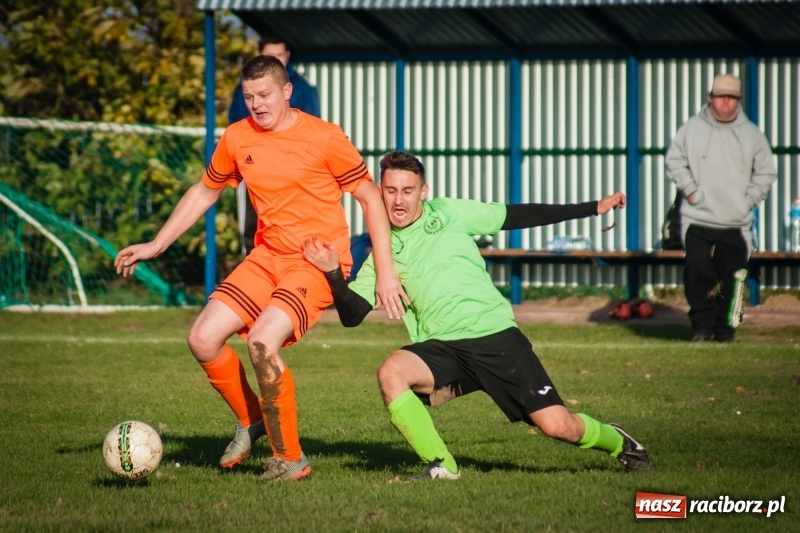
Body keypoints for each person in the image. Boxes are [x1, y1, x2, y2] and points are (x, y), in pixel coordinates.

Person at [115, 55, 406, 481]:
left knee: (263, 343)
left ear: (287, 91)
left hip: (315, 263)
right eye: (249, 97)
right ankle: (252, 418)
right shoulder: (237, 137)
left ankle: (290, 457)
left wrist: (386, 271)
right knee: (202, 339)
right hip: (265, 258)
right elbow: (204, 191)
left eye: (265, 95)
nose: (257, 104)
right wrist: (157, 243)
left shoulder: (324, 137)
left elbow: (369, 196)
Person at [302, 150, 654, 480]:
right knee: (391, 373)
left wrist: (593, 207)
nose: (398, 200)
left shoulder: (448, 212)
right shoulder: (383, 252)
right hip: (444, 348)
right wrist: (334, 273)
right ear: (380, 192)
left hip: (496, 337)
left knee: (558, 426)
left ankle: (619, 441)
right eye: (391, 190)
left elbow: (515, 215)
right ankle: (442, 465)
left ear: (423, 191)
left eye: (407, 190)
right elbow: (351, 315)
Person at [666, 73, 777, 343]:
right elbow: (674, 160)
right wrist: (691, 191)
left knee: (734, 276)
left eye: (731, 98)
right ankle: (702, 328)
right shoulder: (692, 128)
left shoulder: (752, 134)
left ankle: (725, 331)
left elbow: (766, 172)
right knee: (696, 271)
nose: (726, 103)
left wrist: (748, 200)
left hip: (736, 221)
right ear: (710, 98)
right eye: (720, 97)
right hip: (698, 217)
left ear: (738, 100)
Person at [229, 34, 321, 257]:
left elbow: (312, 131)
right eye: (252, 98)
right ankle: (254, 268)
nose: (258, 104)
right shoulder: (244, 91)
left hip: (294, 173)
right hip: (256, 171)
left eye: (280, 56)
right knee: (254, 229)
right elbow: (236, 128)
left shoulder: (304, 90)